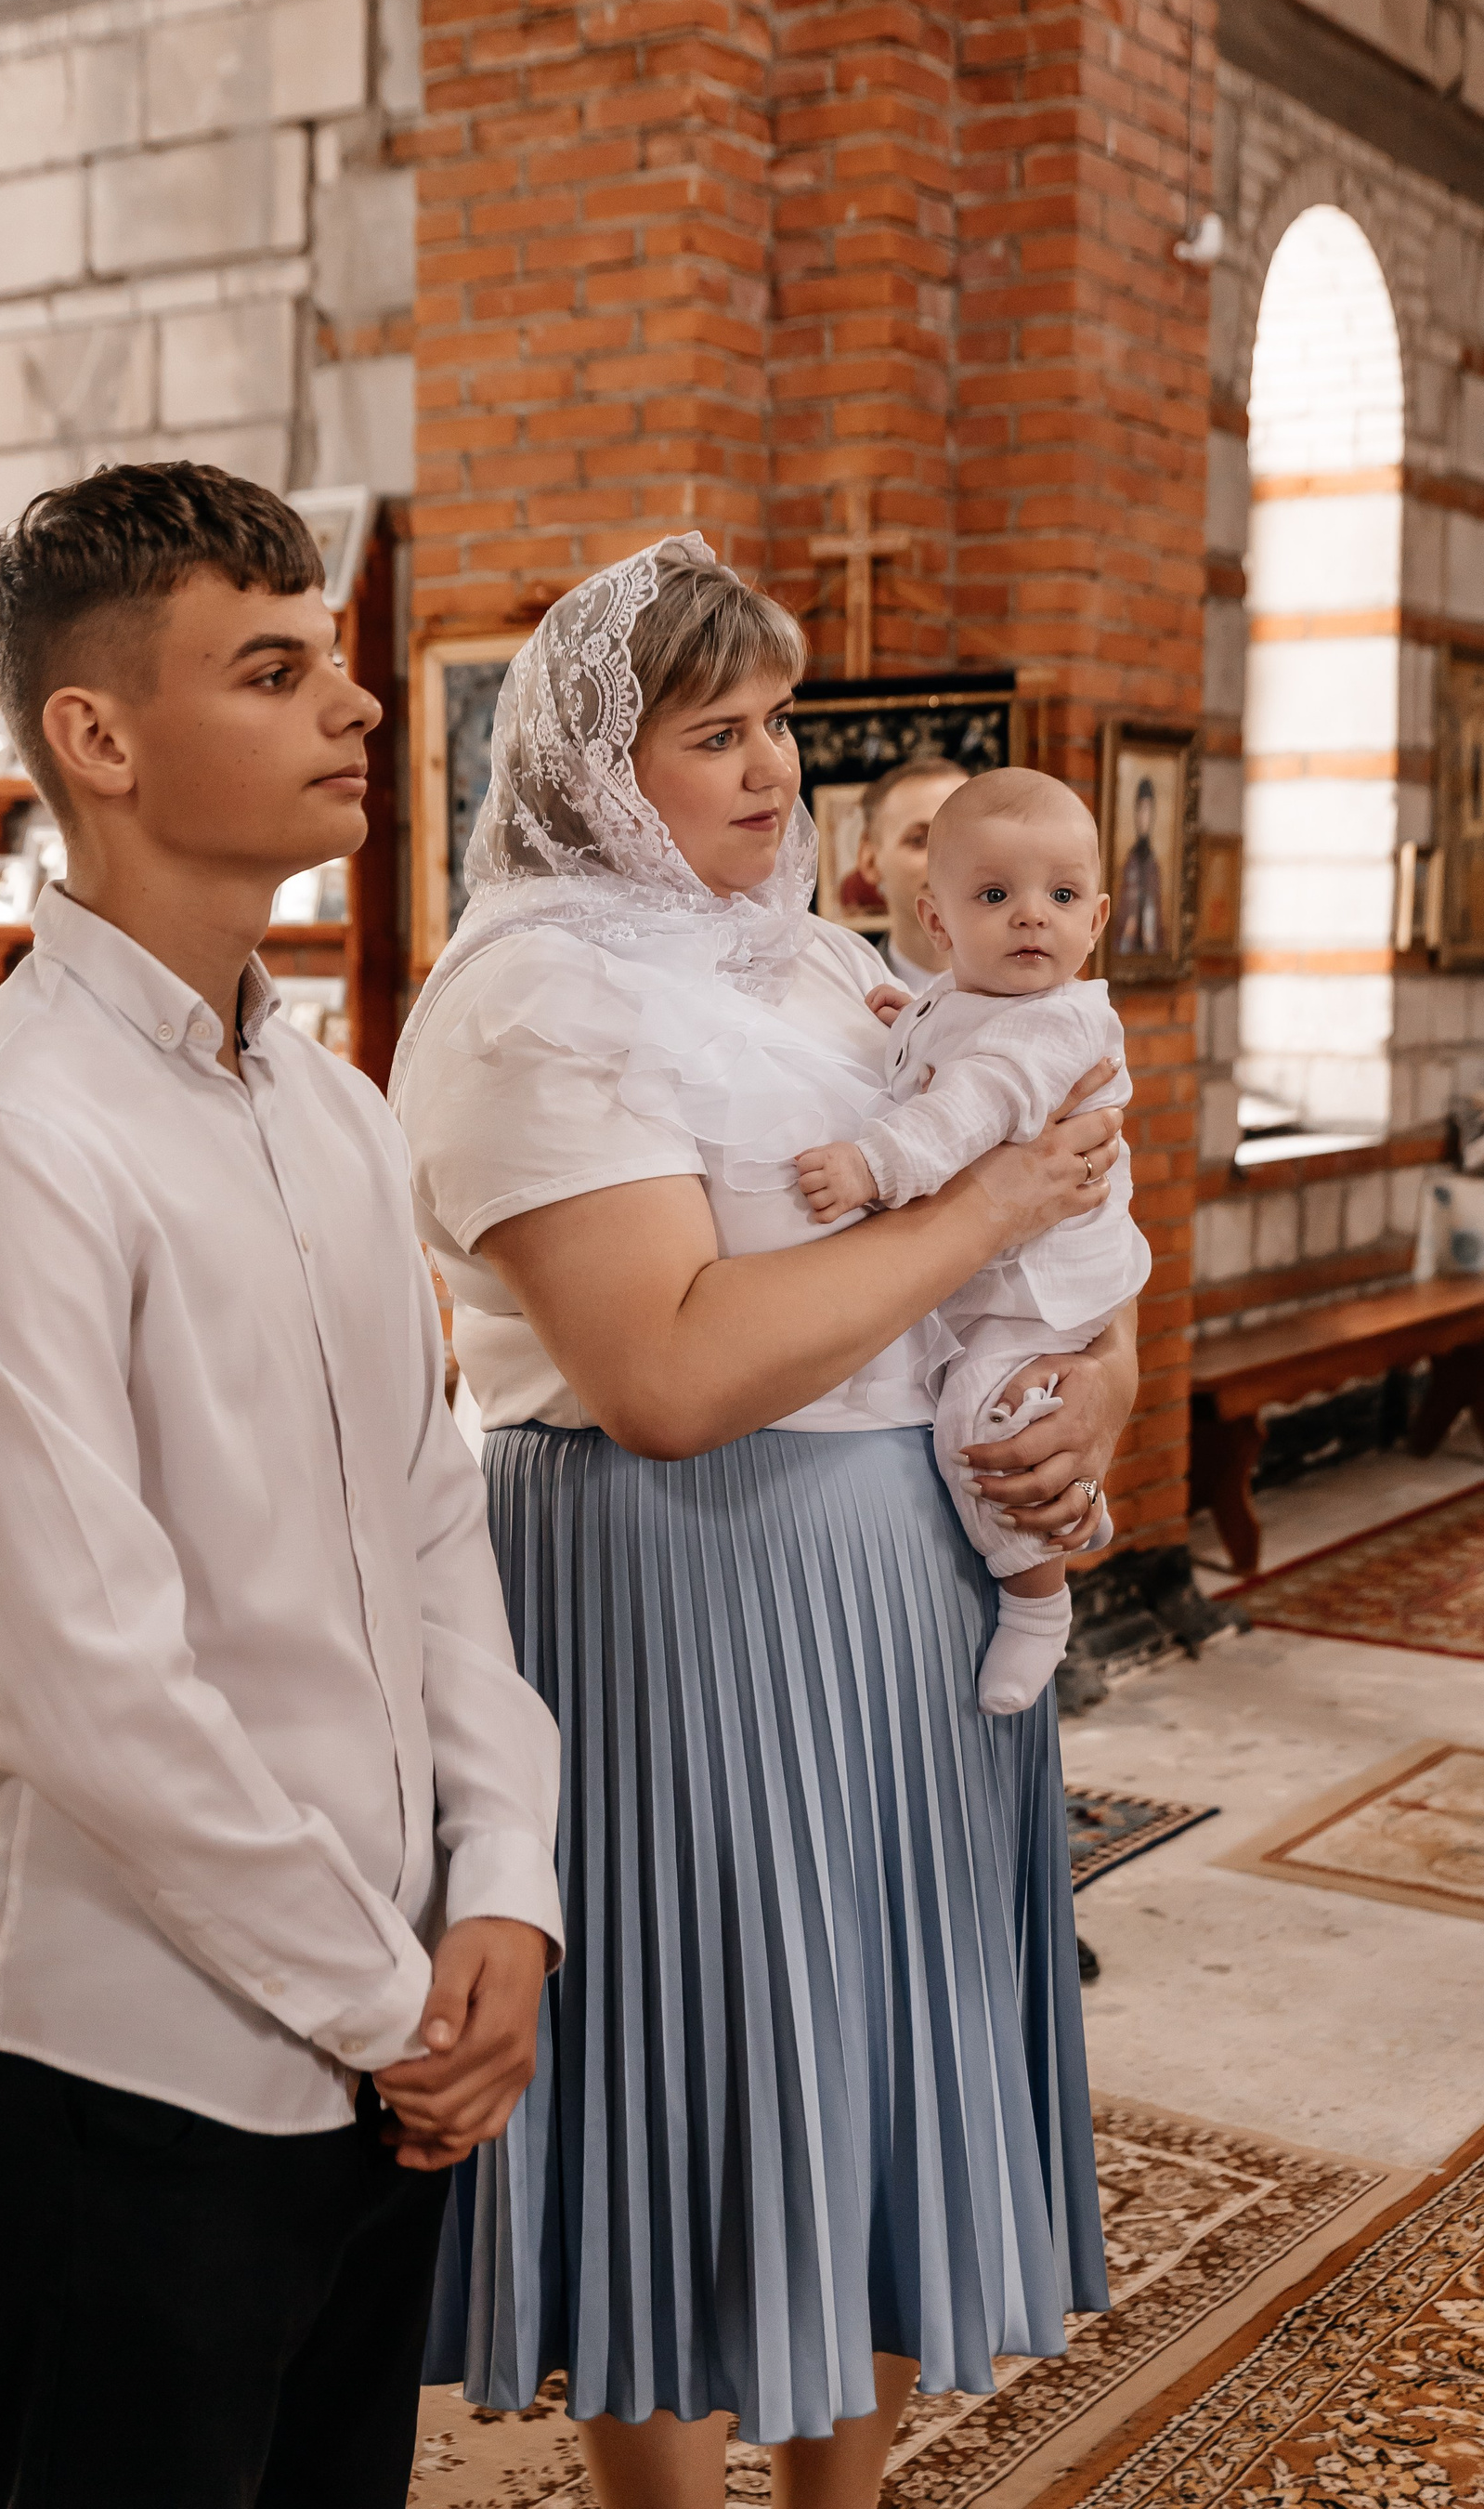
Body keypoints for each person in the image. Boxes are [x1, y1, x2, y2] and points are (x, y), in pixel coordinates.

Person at [0, 462, 564, 2509]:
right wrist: (386, 2000)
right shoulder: (1, 1140)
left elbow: (430, 1522)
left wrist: (503, 1886)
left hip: (388, 2018)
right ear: (97, 737)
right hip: (132, 2048)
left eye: (328, 656)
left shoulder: (335, 1110)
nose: (354, 704)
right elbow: (86, 1682)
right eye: (270, 669)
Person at [393, 536, 1137, 2509]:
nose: (768, 768)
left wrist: (1095, 1399)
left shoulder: (806, 954)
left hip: (904, 1577)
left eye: (776, 723)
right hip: (674, 1577)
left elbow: (1070, 1195)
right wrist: (983, 1213)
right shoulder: (530, 999)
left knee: (875, 2055)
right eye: (710, 733)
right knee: (706, 2071)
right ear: (588, 770)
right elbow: (666, 1373)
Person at [795, 768, 1152, 1717]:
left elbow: (969, 1108)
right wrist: (908, 1024)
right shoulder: (968, 999)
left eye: (1062, 896)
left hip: (1031, 1293)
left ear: (1098, 918)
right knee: (1001, 1417)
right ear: (939, 920)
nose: (1032, 916)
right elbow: (946, 1042)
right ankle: (1064, 1529)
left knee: (976, 1424)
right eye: (996, 896)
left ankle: (1039, 1607)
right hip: (996, 1278)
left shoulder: (1053, 1023)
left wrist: (871, 1165)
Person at [853, 752, 967, 987]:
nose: (948, 858)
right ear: (870, 860)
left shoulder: (1036, 993)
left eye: (965, 837)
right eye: (919, 839)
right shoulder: (844, 994)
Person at [1113, 775, 1165, 956]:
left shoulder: (1153, 863)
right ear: (1136, 813)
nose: (1145, 817)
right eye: (1141, 810)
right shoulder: (1130, 861)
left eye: (1149, 810)